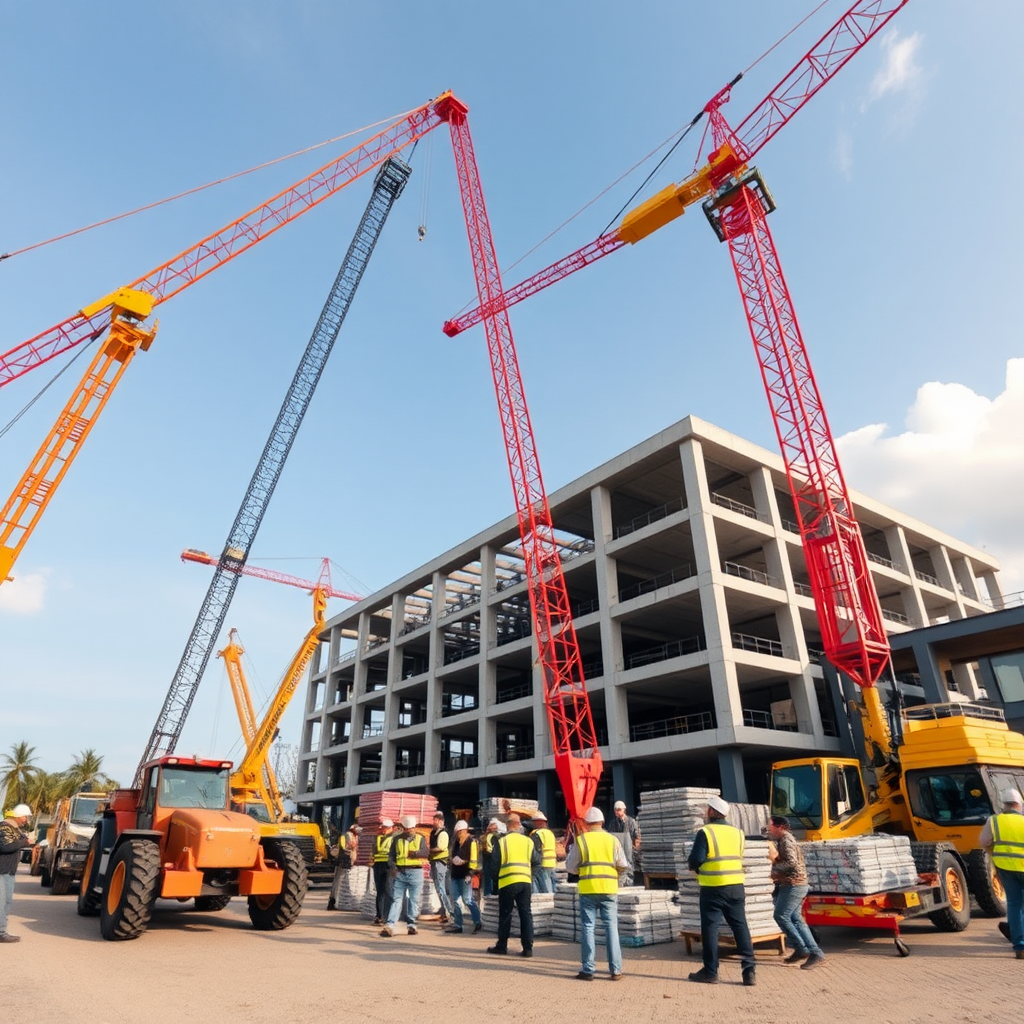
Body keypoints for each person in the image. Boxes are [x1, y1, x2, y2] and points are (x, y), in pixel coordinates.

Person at [686, 794, 756, 986]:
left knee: (710, 928)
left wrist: (695, 868)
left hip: (712, 888)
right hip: (736, 886)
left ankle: (710, 972)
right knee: (740, 926)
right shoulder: (738, 832)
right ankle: (749, 972)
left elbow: (695, 859)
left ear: (711, 812)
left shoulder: (705, 832)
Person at [566, 806, 629, 980]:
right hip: (609, 890)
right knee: (611, 928)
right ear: (601, 822)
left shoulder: (581, 840)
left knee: (588, 928)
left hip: (588, 890)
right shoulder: (613, 840)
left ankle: (588, 970)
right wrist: (618, 881)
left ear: (586, 823)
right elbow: (623, 865)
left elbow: (570, 866)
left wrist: (583, 870)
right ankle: (616, 970)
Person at [767, 814, 825, 969]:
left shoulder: (786, 840)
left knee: (781, 915)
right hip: (794, 884)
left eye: (770, 825)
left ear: (780, 827)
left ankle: (807, 950)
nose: (768, 828)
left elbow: (791, 863)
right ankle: (807, 951)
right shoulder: (782, 840)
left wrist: (772, 869)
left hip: (794, 884)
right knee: (795, 918)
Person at [487, 815, 540, 957]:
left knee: (506, 914)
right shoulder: (528, 841)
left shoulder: (502, 841)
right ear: (518, 825)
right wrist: (529, 875)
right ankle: (528, 948)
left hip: (507, 882)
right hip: (525, 882)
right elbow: (536, 861)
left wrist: (496, 881)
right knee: (525, 914)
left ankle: (502, 945)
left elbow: (494, 865)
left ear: (508, 824)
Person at [981, 786, 1024, 959]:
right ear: (1019, 804)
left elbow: (984, 842)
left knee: (1014, 905)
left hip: (1005, 867)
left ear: (1004, 805)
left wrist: (994, 854)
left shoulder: (994, 821)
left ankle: (1020, 946)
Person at [381, 815, 428, 937]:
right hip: (400, 872)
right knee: (396, 899)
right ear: (403, 828)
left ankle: (411, 924)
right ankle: (390, 925)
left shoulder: (420, 838)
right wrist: (393, 867)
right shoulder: (397, 840)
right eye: (407, 829)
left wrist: (413, 854)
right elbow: (391, 856)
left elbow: (426, 852)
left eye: (411, 828)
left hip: (416, 872)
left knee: (414, 900)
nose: (409, 831)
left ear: (414, 827)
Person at [0, 804, 34, 943]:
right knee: (1, 903)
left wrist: (25, 842)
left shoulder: (14, 829)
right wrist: (24, 842)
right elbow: (6, 846)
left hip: (9, 870)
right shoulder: (4, 828)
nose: (26, 819)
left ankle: (2, 930)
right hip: (2, 870)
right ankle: (1, 932)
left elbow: (18, 842)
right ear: (18, 816)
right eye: (25, 816)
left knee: (7, 902)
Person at [445, 820, 482, 934]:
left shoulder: (472, 842)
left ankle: (477, 922)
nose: (458, 835)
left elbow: (474, 860)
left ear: (465, 831)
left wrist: (469, 872)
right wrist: (452, 861)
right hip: (456, 874)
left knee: (467, 899)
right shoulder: (456, 843)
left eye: (459, 832)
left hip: (466, 874)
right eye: (457, 832)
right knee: (455, 900)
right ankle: (458, 924)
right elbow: (452, 855)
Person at [429, 810, 455, 925]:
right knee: (438, 888)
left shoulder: (443, 833)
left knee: (441, 888)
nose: (433, 822)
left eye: (435, 820)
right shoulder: (433, 833)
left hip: (440, 862)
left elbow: (441, 847)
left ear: (440, 821)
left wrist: (428, 851)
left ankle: (449, 911)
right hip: (434, 862)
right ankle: (444, 909)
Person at [327, 822, 360, 911]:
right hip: (343, 861)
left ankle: (337, 902)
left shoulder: (354, 836)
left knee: (344, 883)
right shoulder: (347, 835)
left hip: (348, 861)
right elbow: (348, 847)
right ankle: (333, 902)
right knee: (338, 883)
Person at [608, 800, 641, 886]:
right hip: (617, 852)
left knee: (629, 873)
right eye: (615, 810)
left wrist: (634, 849)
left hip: (629, 852)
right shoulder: (613, 823)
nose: (617, 812)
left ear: (624, 810)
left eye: (619, 810)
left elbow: (637, 837)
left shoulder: (631, 822)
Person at [372, 818, 398, 925]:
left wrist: (395, 866)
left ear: (391, 828)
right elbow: (373, 850)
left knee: (389, 891)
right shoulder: (378, 837)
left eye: (386, 828)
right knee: (380, 891)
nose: (384, 829)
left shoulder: (395, 838)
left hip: (389, 866)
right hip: (378, 865)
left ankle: (389, 916)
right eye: (383, 827)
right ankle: (380, 916)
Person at [529, 810, 557, 893]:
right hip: (552, 863)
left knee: (544, 888)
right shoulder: (550, 833)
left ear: (538, 821)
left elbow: (535, 851)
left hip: (542, 863)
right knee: (551, 885)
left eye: (534, 821)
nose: (533, 823)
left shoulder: (537, 834)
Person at [481, 819, 504, 897]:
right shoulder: (496, 837)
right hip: (493, 863)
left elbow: (487, 849)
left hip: (488, 863)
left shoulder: (490, 836)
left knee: (488, 884)